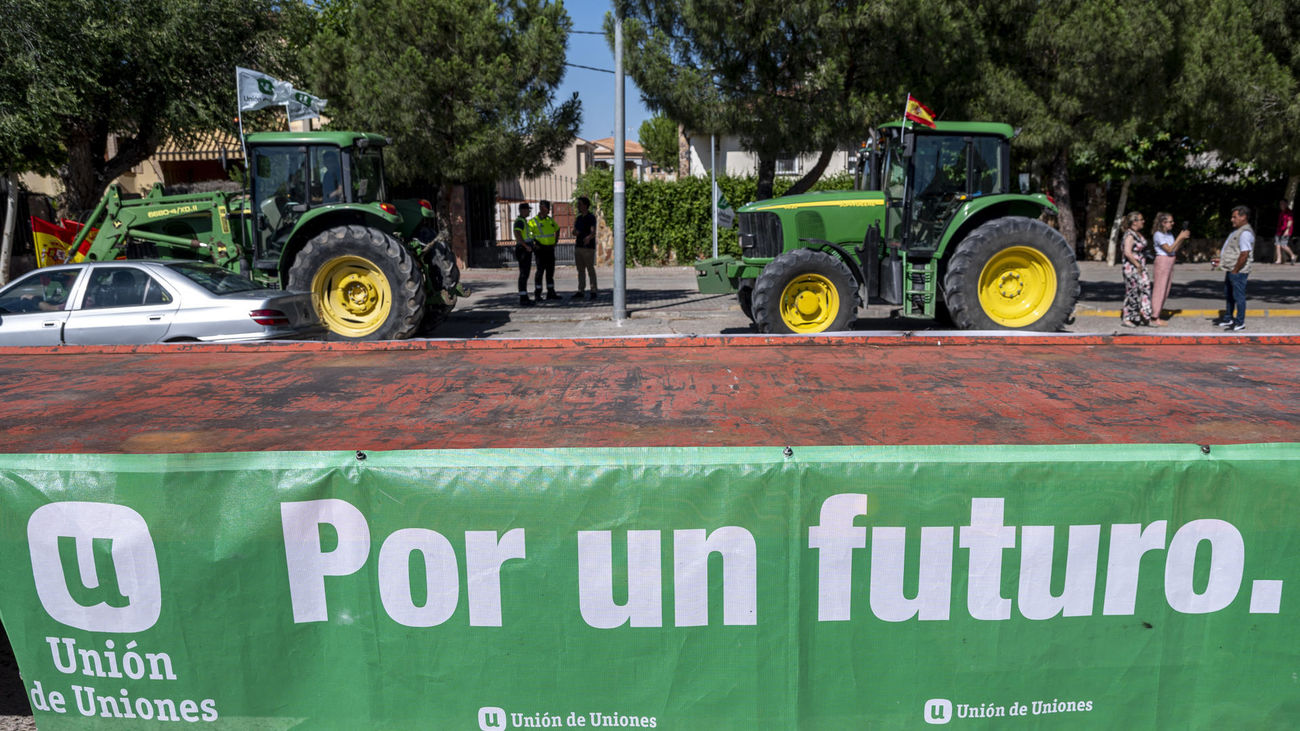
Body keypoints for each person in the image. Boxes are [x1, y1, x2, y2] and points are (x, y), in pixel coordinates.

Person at [1213, 205, 1253, 331]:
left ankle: (1240, 322)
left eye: (1234, 217)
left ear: (1243, 217)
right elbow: (1233, 251)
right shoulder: (1236, 232)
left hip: (1239, 271)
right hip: (1232, 269)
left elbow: (1244, 253)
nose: (1232, 219)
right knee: (1229, 294)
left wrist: (1235, 270)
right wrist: (1221, 261)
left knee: (1238, 296)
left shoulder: (1245, 233)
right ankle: (1228, 318)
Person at [1149, 212, 1190, 326]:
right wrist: (1179, 237)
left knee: (1166, 289)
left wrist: (1181, 239)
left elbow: (1174, 249)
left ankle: (1157, 313)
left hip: (1170, 261)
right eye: (1170, 222)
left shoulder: (1169, 234)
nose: (1173, 223)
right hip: (1163, 260)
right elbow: (1168, 249)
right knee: (1160, 289)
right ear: (1163, 223)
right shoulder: (1158, 234)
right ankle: (1154, 316)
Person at [1119, 211, 1153, 327]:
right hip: (1132, 267)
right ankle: (1127, 317)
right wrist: (1137, 264)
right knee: (1133, 291)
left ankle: (1145, 315)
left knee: (1145, 288)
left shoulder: (1137, 234)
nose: (1143, 221)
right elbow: (1127, 252)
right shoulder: (1129, 235)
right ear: (1134, 222)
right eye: (1141, 219)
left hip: (1141, 266)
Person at [531, 199, 560, 301]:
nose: (547, 211)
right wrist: (534, 245)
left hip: (549, 249)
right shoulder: (533, 221)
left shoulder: (550, 220)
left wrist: (555, 242)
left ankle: (551, 292)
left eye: (548, 209)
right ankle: (538, 294)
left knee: (550, 272)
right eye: (546, 208)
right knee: (540, 272)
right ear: (542, 208)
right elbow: (529, 234)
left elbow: (557, 229)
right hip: (540, 250)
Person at [571, 196, 598, 301]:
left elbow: (593, 232)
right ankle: (581, 290)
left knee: (590, 269)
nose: (578, 206)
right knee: (580, 270)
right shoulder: (579, 218)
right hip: (578, 246)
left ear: (585, 205)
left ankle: (593, 290)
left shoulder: (591, 217)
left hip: (588, 248)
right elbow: (575, 230)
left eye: (580, 204)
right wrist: (574, 232)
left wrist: (589, 237)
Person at [512, 202, 536, 306]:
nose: (529, 211)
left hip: (524, 248)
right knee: (523, 274)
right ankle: (523, 298)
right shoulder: (520, 221)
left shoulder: (523, 221)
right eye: (527, 210)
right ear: (522, 210)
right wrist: (526, 246)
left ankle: (525, 296)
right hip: (522, 249)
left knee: (525, 273)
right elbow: (517, 234)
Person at [1275, 199, 1295, 264]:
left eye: (1283, 204)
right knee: (1277, 245)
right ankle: (1279, 259)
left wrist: (1287, 230)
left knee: (1283, 245)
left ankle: (1293, 255)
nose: (1281, 205)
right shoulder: (1281, 212)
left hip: (1285, 231)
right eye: (1280, 204)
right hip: (1279, 231)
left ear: (1286, 204)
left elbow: (1290, 221)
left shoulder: (1289, 212)